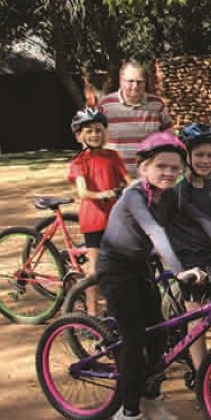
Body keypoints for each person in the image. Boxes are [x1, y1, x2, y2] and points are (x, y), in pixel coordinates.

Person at [95, 132, 211, 420]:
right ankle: (127, 412)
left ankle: (151, 399)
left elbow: (202, 221)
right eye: (161, 166)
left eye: (174, 168)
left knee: (159, 335)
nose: (168, 173)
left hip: (142, 267)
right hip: (116, 269)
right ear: (144, 168)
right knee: (134, 340)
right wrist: (180, 270)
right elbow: (155, 232)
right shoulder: (135, 196)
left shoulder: (170, 196)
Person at [172, 122, 211, 369]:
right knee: (196, 317)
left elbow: (209, 220)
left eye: (210, 155)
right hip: (189, 259)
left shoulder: (208, 186)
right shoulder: (180, 190)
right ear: (186, 156)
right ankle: (201, 373)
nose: (206, 160)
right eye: (199, 155)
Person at [67, 108, 129, 314]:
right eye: (89, 131)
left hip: (115, 218)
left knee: (117, 266)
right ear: (79, 135)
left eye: (99, 130)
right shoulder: (79, 161)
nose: (95, 134)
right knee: (95, 269)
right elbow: (82, 191)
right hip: (93, 218)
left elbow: (128, 180)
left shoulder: (113, 156)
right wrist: (102, 194)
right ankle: (92, 311)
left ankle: (114, 309)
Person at [97, 60, 174, 175]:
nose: (135, 86)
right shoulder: (105, 105)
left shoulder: (156, 105)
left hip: (148, 177)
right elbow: (92, 138)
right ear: (121, 80)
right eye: (130, 81)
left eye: (139, 82)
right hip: (114, 176)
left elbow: (169, 137)